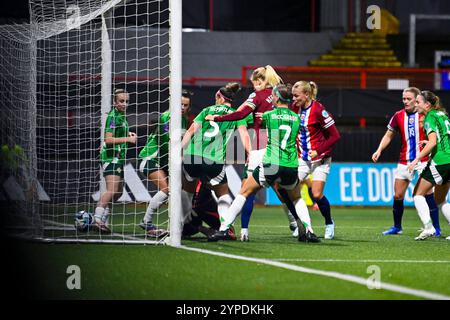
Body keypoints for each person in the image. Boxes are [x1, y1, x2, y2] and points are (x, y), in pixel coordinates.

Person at [209, 84, 320, 243]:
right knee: (296, 198)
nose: (272, 98)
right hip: (290, 164)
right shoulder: (296, 117)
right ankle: (309, 231)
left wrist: (218, 117)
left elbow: (245, 116)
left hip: (271, 163)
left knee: (244, 192)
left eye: (273, 96)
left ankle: (224, 229)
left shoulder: (268, 115)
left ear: (277, 97)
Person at [205, 65, 282, 241]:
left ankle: (233, 229)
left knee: (246, 191)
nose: (254, 85)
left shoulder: (257, 96)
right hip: (279, 149)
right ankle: (299, 227)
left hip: (260, 148)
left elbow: (240, 115)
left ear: (264, 80)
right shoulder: (279, 97)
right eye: (253, 82)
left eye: (257, 81)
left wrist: (217, 118)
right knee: (285, 191)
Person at [182, 83, 252, 237]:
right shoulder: (236, 114)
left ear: (220, 97)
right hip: (213, 160)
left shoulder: (206, 110)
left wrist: (179, 149)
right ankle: (224, 228)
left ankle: (181, 225)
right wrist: (250, 153)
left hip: (191, 157)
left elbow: (190, 131)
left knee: (186, 192)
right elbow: (244, 135)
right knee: (223, 194)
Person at [372, 87, 440, 236]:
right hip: (404, 160)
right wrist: (379, 150)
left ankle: (436, 228)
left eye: (409, 99)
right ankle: (397, 227)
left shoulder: (425, 116)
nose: (405, 101)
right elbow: (388, 135)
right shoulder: (398, 116)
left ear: (417, 100)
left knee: (428, 193)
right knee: (398, 195)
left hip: (423, 160)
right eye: (404, 98)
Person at [138, 89, 193, 236]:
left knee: (177, 191)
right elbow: (165, 144)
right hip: (150, 158)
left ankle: (181, 224)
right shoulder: (167, 117)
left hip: (164, 162)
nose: (182, 107)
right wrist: (178, 157)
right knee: (168, 190)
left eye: (186, 105)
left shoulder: (183, 119)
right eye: (180, 104)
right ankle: (146, 222)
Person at [291, 81, 341, 240]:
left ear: (306, 95)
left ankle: (329, 223)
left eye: (296, 96)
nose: (294, 99)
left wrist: (318, 150)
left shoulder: (319, 110)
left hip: (321, 158)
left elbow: (335, 136)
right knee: (288, 189)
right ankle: (300, 223)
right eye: (292, 95)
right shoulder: (294, 108)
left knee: (317, 194)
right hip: (302, 158)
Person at [407, 91, 450, 240]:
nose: (415, 104)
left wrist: (416, 159)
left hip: (441, 161)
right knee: (440, 199)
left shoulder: (429, 117)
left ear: (427, 104)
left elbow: (432, 142)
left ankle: (428, 227)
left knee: (417, 194)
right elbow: (442, 138)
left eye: (418, 102)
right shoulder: (442, 115)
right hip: (449, 160)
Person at [94, 89, 137, 231]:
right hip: (110, 157)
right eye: (121, 101)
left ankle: (102, 219)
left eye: (127, 101)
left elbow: (118, 133)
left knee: (117, 193)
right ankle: (97, 218)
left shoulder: (122, 116)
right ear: (114, 102)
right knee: (112, 190)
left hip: (118, 158)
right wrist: (128, 138)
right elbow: (108, 139)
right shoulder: (113, 116)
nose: (125, 104)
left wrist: (127, 133)